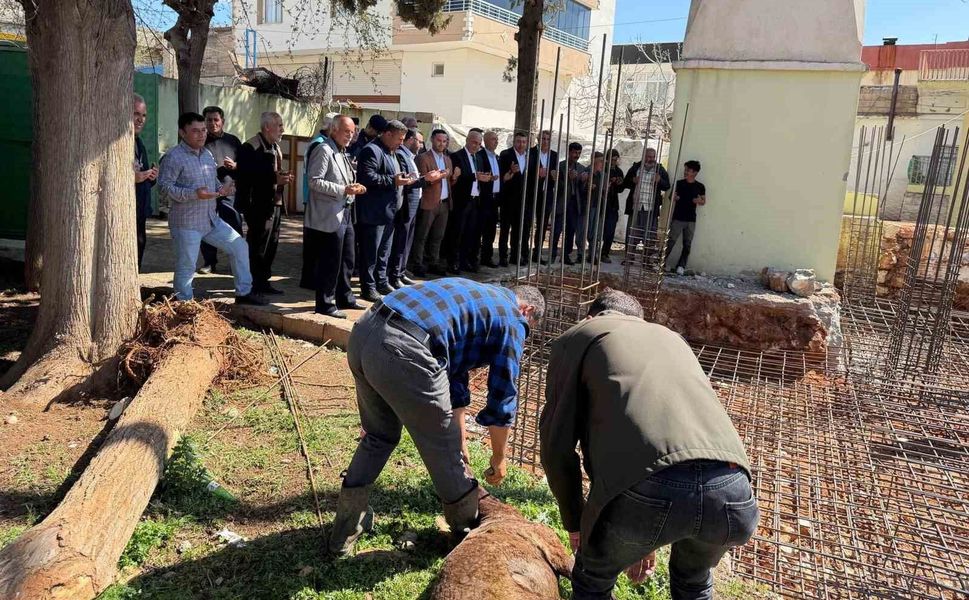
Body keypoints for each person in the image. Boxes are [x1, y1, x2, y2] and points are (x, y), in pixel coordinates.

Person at [540, 289, 758, 600]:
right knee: (694, 583)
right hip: (734, 491)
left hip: (647, 490)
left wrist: (576, 523)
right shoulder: (671, 338)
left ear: (591, 316)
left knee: (593, 581)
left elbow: (556, 448)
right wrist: (649, 532)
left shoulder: (581, 334)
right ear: (640, 320)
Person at [328, 278, 545, 556]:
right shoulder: (513, 319)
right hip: (403, 347)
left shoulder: (479, 299)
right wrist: (499, 457)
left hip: (365, 331)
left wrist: (460, 440)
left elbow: (454, 376)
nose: (524, 334)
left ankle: (344, 532)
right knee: (444, 453)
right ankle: (466, 538)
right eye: (529, 328)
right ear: (527, 310)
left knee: (379, 436)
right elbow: (502, 395)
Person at [156, 112, 264, 305]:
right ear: (182, 133)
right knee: (187, 266)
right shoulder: (173, 157)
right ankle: (184, 305)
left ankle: (244, 293)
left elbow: (212, 181)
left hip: (210, 220)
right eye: (195, 131)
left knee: (239, 246)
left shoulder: (206, 154)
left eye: (203, 130)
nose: (202, 134)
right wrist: (194, 194)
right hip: (186, 223)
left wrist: (222, 189)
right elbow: (164, 188)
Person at [305, 115, 366, 318]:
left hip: (345, 211)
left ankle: (345, 297)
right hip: (329, 214)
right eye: (346, 131)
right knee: (330, 261)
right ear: (334, 130)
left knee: (348, 258)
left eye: (352, 132)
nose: (350, 136)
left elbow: (344, 179)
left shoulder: (341, 151)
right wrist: (343, 189)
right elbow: (314, 181)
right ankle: (325, 304)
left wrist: (355, 187)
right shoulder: (324, 149)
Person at [355, 119, 416, 301]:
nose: (401, 143)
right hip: (374, 213)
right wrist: (393, 180)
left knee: (384, 252)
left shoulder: (392, 152)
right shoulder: (371, 150)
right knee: (371, 254)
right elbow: (367, 177)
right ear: (388, 134)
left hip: (390, 212)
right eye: (399, 139)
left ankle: (381, 282)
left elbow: (394, 176)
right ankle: (368, 287)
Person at [236, 111, 292, 296]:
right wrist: (273, 178)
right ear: (267, 127)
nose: (282, 129)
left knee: (271, 243)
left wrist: (281, 178)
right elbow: (245, 177)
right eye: (279, 125)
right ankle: (252, 283)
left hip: (274, 203)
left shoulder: (275, 146)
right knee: (257, 244)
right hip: (257, 205)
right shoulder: (250, 147)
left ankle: (263, 281)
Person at [389, 128, 440, 288]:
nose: (422, 145)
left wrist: (425, 178)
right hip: (405, 205)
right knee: (401, 241)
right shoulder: (401, 155)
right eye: (420, 141)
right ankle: (394, 274)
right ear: (410, 140)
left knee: (407, 241)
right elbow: (406, 181)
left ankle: (401, 272)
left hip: (413, 205)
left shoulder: (411, 157)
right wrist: (426, 179)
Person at [198, 106, 244, 275]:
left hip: (228, 191)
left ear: (222, 121)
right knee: (206, 227)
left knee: (234, 226)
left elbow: (246, 165)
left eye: (216, 120)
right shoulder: (199, 141)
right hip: (207, 193)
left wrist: (236, 166)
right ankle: (209, 262)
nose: (212, 123)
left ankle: (237, 262)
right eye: (209, 120)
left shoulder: (233, 141)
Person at [411, 129, 453, 277]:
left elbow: (449, 181)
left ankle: (433, 262)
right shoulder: (423, 158)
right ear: (432, 140)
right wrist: (440, 176)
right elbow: (422, 181)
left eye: (444, 141)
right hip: (429, 202)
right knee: (422, 235)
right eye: (439, 140)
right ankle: (417, 264)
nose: (441, 144)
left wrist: (452, 176)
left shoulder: (447, 159)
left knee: (438, 236)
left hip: (444, 203)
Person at [445, 130, 486, 273]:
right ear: (467, 140)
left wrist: (485, 178)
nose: (476, 146)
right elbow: (456, 178)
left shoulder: (478, 158)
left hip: (475, 200)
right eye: (474, 142)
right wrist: (475, 177)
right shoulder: (457, 156)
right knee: (457, 232)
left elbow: (479, 175)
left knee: (470, 233)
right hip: (461, 200)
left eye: (479, 144)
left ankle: (464, 261)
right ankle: (453, 262)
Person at [300, 120, 333, 290]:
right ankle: (309, 278)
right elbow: (314, 176)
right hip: (314, 198)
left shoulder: (322, 142)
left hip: (316, 198)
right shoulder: (320, 144)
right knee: (313, 241)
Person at [622, 147, 670, 261]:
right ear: (643, 156)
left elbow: (667, 186)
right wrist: (633, 180)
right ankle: (629, 258)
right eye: (649, 156)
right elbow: (625, 183)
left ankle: (646, 260)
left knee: (649, 235)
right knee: (632, 233)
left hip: (651, 208)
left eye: (653, 157)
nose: (651, 159)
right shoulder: (636, 168)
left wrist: (660, 180)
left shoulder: (659, 170)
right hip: (636, 207)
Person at [666, 160, 706, 275]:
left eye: (688, 170)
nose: (685, 172)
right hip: (678, 218)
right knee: (670, 241)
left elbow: (703, 201)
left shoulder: (700, 186)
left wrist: (699, 201)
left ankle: (681, 266)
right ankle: (660, 262)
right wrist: (674, 198)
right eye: (685, 169)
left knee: (687, 244)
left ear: (695, 172)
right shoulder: (678, 183)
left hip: (691, 219)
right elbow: (671, 197)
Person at [133, 93, 158, 271]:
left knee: (140, 243)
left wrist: (150, 177)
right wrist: (131, 179)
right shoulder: (118, 142)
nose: (140, 119)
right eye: (136, 114)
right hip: (125, 212)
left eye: (143, 115)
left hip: (140, 210)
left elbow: (142, 174)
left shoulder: (139, 143)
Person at [497, 131, 529, 267]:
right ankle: (503, 256)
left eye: (523, 142)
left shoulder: (530, 156)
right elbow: (501, 176)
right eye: (518, 141)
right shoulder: (505, 155)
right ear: (514, 142)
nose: (521, 144)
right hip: (508, 199)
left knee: (518, 230)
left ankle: (515, 256)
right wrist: (510, 171)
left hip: (523, 200)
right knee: (505, 229)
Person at [528, 130, 558, 265]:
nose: (545, 141)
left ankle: (537, 253)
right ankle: (522, 253)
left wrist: (554, 176)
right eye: (543, 139)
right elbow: (526, 172)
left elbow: (556, 175)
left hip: (547, 193)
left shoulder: (554, 155)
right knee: (527, 222)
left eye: (548, 139)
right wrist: (537, 174)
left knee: (542, 225)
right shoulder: (531, 153)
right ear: (538, 140)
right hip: (532, 192)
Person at [477, 131, 502, 268]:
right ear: (485, 141)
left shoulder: (497, 157)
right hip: (483, 198)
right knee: (478, 229)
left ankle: (487, 257)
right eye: (493, 139)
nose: (496, 142)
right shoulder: (479, 156)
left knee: (491, 230)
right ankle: (474, 257)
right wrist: (488, 178)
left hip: (495, 199)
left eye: (497, 139)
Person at [559, 142, 587, 265]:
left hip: (575, 203)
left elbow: (582, 190)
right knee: (557, 229)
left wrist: (583, 181)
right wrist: (568, 178)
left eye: (579, 153)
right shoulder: (561, 166)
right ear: (569, 152)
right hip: (562, 202)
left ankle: (566, 255)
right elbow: (557, 185)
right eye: (575, 152)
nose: (577, 155)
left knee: (571, 230)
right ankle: (553, 254)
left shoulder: (581, 168)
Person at [599, 149, 625, 263]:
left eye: (616, 160)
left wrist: (619, 183)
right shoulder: (602, 168)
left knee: (610, 231)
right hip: (600, 203)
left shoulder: (618, 171)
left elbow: (621, 189)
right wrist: (608, 180)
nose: (614, 162)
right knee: (596, 230)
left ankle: (605, 253)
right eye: (612, 160)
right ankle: (593, 252)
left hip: (613, 204)